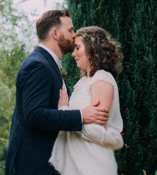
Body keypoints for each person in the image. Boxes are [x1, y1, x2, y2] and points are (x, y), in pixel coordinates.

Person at [5, 10, 111, 175]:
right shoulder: (38, 65)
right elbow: (34, 115)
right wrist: (81, 116)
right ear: (55, 33)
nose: (74, 35)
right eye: (70, 30)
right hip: (33, 166)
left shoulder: (47, 63)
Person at [49, 26, 124, 175]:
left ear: (93, 49)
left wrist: (66, 113)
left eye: (77, 48)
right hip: (78, 165)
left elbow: (98, 132)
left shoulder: (102, 78)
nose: (73, 54)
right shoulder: (83, 82)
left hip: (94, 165)